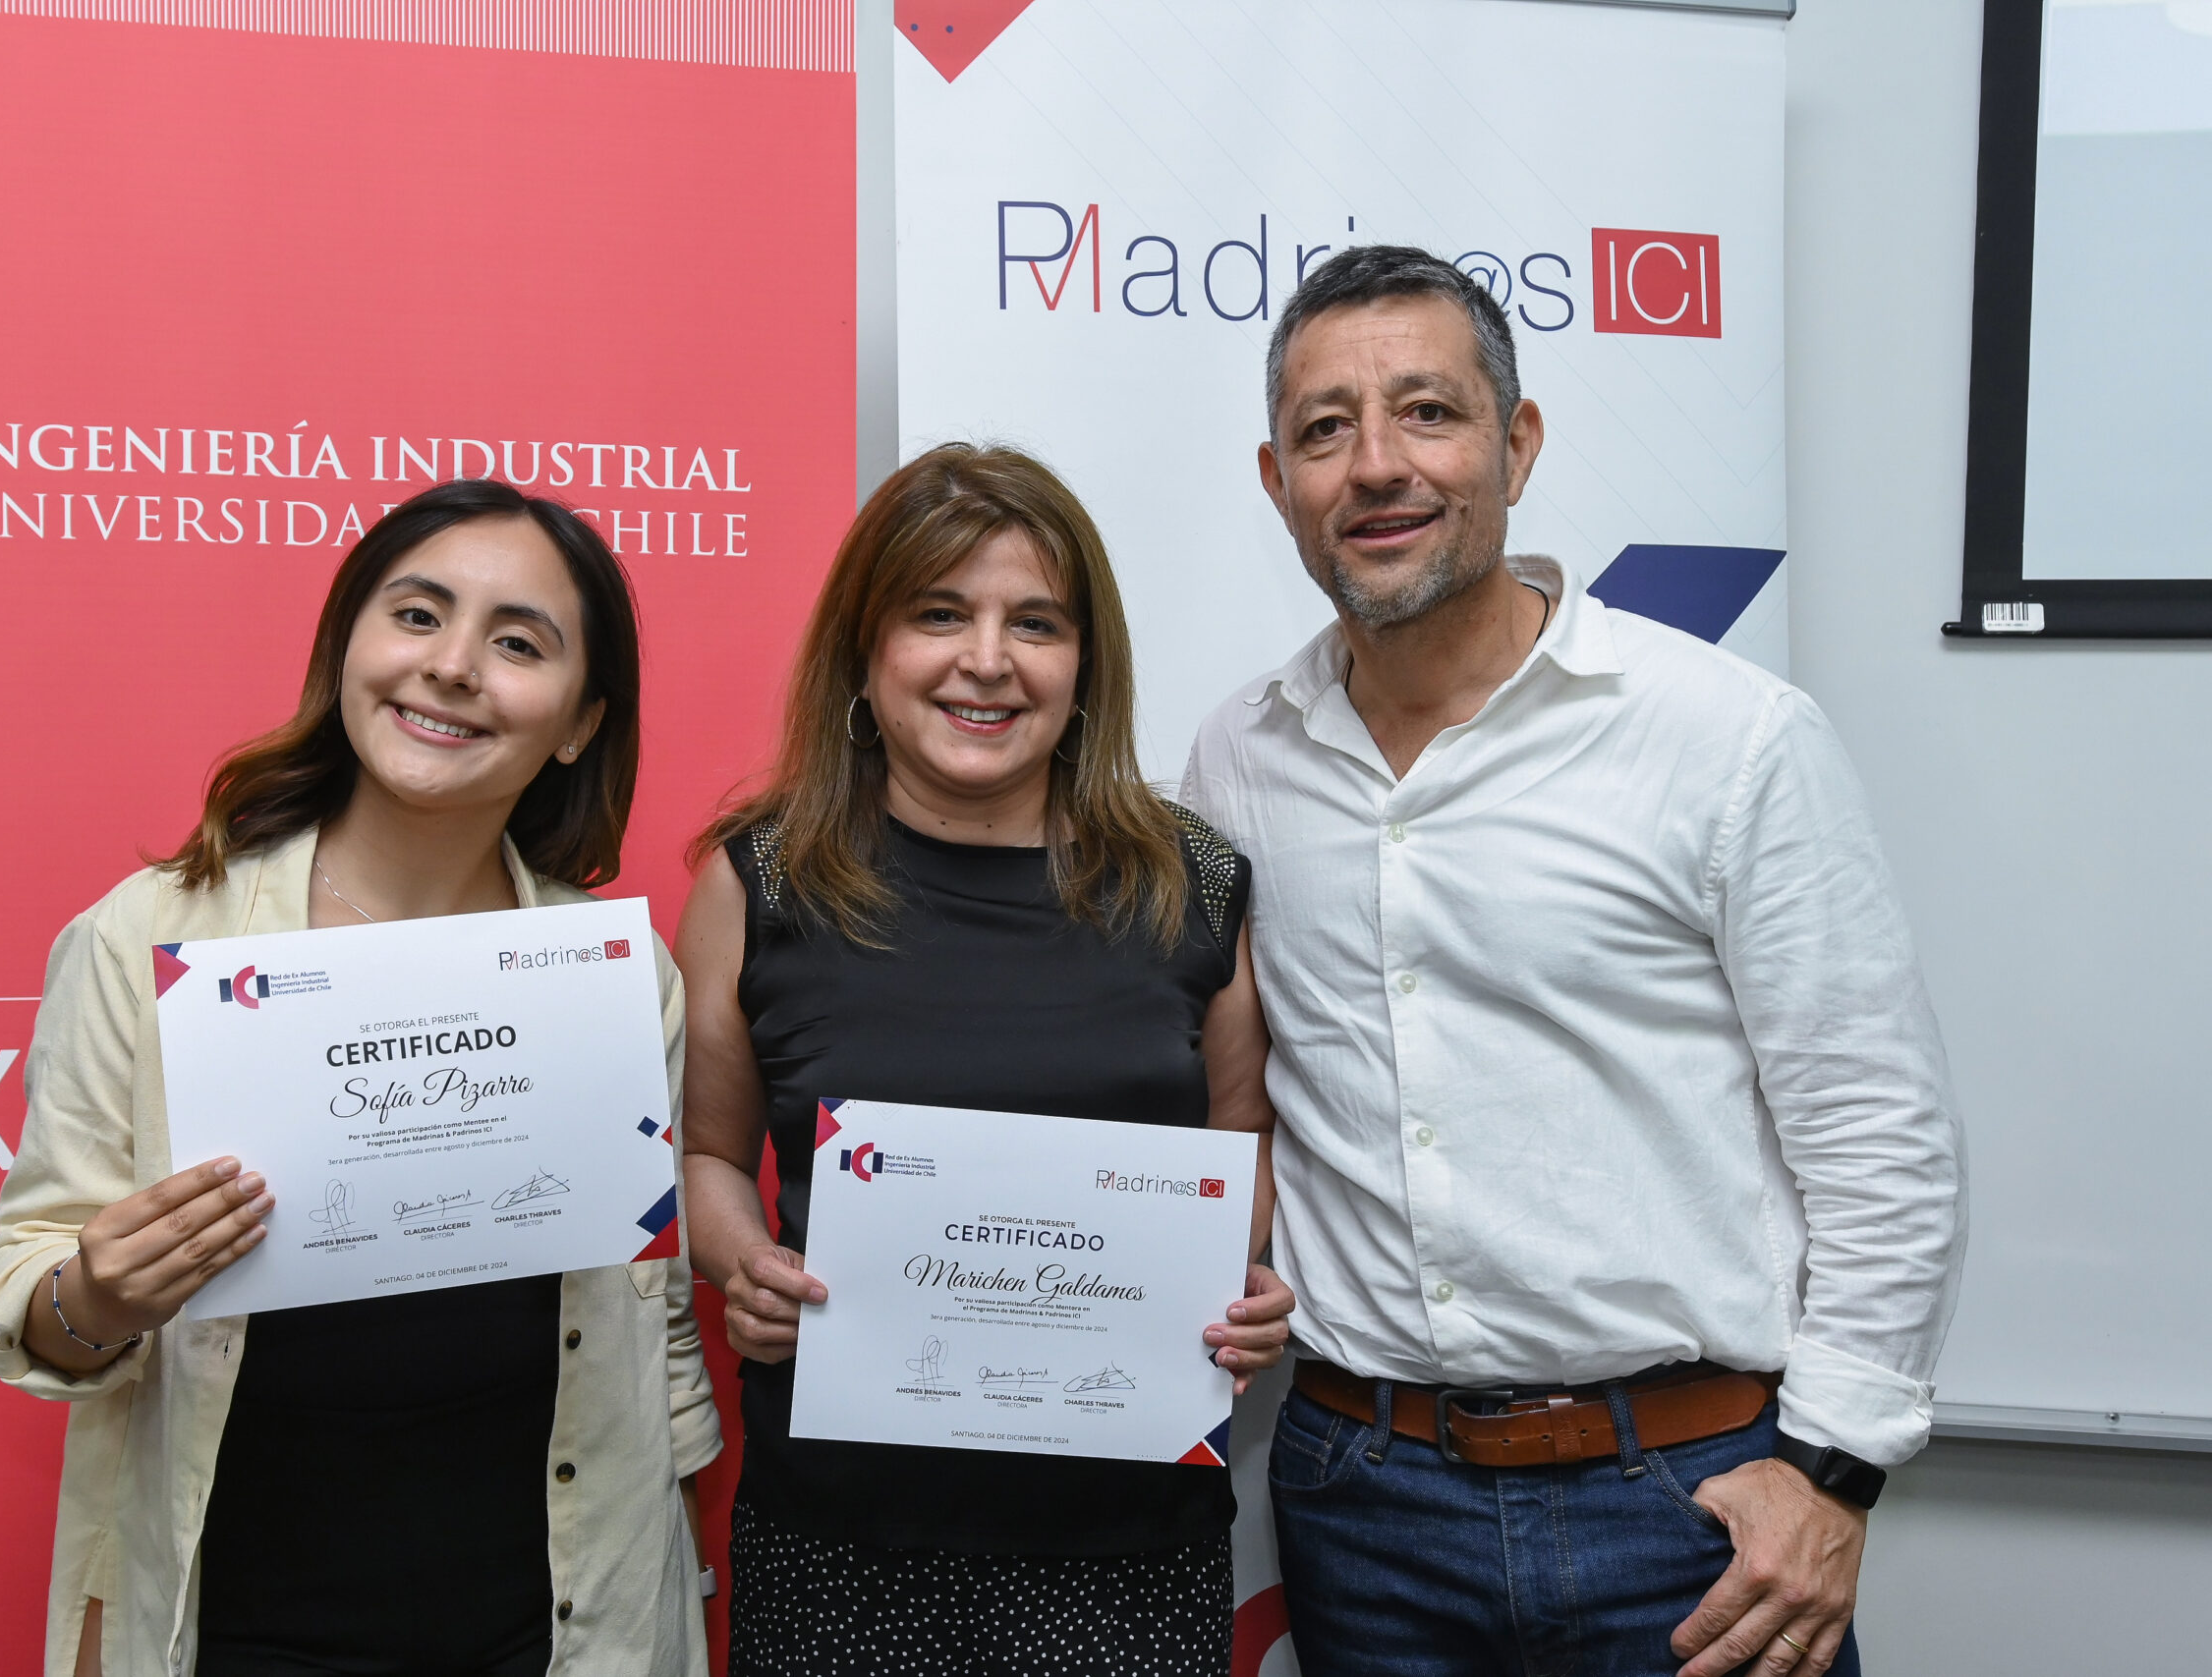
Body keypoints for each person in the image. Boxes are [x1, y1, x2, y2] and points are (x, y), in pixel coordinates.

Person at [1179, 246, 1965, 1677]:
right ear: (1276, 478)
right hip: (1363, 1502)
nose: (1376, 464)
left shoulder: (1726, 736)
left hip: (1687, 1500)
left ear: (1518, 443)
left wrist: (1834, 1474)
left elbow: (1877, 1131)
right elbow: (1237, 1098)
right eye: (1325, 429)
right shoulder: (1239, 756)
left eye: (1428, 411)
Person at [0, 479, 719, 1677]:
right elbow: (33, 1285)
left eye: (518, 644)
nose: (453, 666)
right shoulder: (150, 937)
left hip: (554, 1626)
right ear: (345, 653)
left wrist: (676, 1578)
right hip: (241, 1627)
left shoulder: (616, 978)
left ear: (580, 722)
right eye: (417, 616)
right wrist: (98, 1298)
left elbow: (653, 1307)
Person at [675, 442, 1296, 1676]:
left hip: (1128, 1550)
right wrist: (746, 1263)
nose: (989, 660)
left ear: (1085, 664)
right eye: (939, 614)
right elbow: (705, 1155)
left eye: (1037, 623)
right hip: (840, 1549)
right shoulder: (762, 882)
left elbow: (1242, 1140)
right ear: (866, 649)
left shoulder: (1190, 879)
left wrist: (1233, 1282)